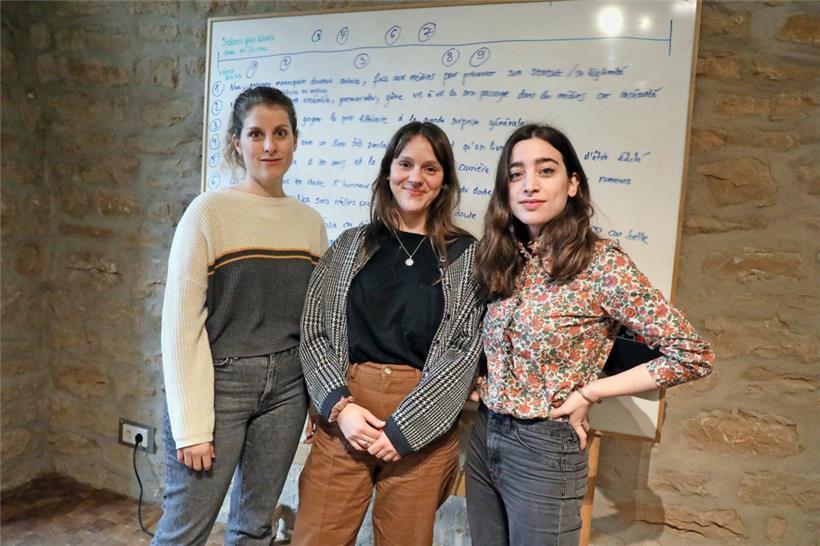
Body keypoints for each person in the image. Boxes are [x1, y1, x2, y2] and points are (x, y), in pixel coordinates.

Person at [465, 123, 715, 546]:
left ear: (573, 183)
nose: (530, 185)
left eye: (546, 170)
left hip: (544, 447)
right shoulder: (503, 258)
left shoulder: (600, 264)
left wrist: (590, 393)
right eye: (516, 173)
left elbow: (692, 354)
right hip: (484, 434)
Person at [292, 121, 485, 546]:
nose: (415, 177)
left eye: (430, 168)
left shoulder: (466, 256)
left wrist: (405, 430)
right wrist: (340, 409)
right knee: (316, 536)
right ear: (387, 172)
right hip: (347, 413)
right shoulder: (348, 246)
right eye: (405, 164)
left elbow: (465, 349)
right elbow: (314, 332)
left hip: (423, 426)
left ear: (445, 182)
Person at [153, 86, 327, 546]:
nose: (269, 146)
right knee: (184, 532)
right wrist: (191, 425)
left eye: (280, 133)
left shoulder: (310, 223)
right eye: (256, 134)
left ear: (294, 140)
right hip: (219, 386)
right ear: (237, 142)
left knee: (254, 527)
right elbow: (180, 324)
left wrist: (314, 395)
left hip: (288, 389)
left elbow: (314, 322)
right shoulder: (208, 213)